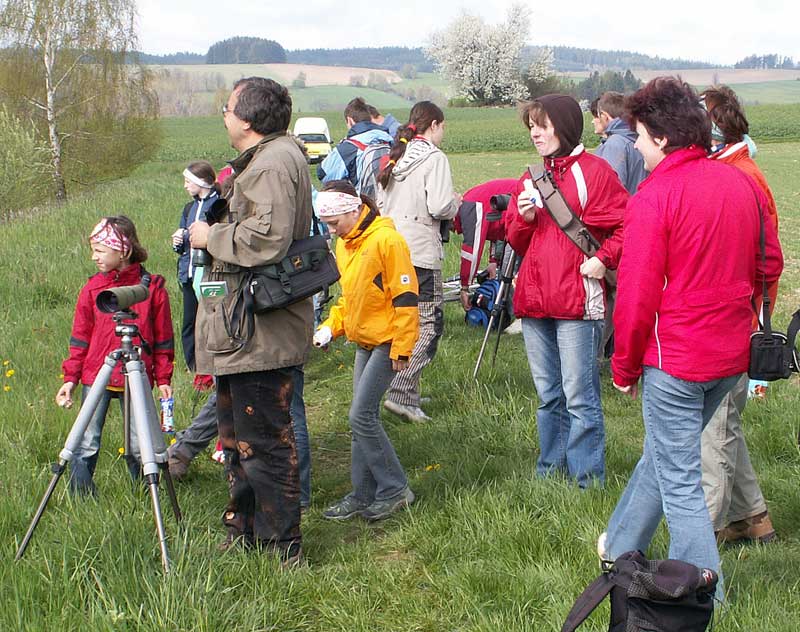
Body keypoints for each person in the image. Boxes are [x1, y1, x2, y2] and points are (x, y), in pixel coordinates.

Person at [600, 78, 782, 596]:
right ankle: (619, 546)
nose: (633, 144)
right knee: (665, 456)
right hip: (730, 358)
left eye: (637, 135)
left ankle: (706, 595)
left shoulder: (654, 196)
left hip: (677, 361)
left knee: (680, 481)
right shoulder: (740, 181)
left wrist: (624, 367)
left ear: (660, 137)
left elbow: (634, 296)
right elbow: (769, 261)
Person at [189, 77, 313, 564]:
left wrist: (209, 236)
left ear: (247, 118)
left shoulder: (273, 162)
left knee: (264, 442)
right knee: (239, 441)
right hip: (248, 331)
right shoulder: (271, 159)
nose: (223, 115)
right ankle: (247, 530)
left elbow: (268, 238)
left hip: (260, 331)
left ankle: (283, 546)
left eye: (227, 107)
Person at [505, 94, 627, 488]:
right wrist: (523, 219)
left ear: (564, 125)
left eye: (542, 125)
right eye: (531, 127)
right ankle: (550, 472)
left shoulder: (596, 173)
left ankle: (587, 480)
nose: (535, 133)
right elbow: (517, 240)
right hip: (535, 300)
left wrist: (604, 258)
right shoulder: (529, 177)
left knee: (579, 396)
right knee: (548, 396)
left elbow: (628, 225)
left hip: (578, 299)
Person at [699, 85, 781, 545]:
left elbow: (769, 259)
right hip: (731, 316)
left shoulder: (741, 175)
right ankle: (753, 518)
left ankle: (703, 533)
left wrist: (751, 311)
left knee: (715, 427)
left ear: (717, 128)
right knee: (723, 421)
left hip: (733, 320)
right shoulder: (730, 169)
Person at [312, 181, 419, 521]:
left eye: (333, 222)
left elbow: (406, 298)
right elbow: (349, 299)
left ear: (353, 209)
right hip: (363, 341)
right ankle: (362, 494)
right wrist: (332, 326)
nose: (331, 231)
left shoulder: (387, 241)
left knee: (360, 416)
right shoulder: (345, 246)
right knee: (361, 419)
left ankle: (395, 488)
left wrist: (402, 348)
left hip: (388, 341)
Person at [56, 216, 174, 496]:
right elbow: (80, 338)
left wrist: (165, 377)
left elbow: (163, 340)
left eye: (100, 250)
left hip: (136, 373)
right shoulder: (92, 289)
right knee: (86, 440)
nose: (93, 256)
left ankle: (146, 493)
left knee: (139, 442)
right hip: (96, 374)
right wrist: (70, 378)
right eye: (93, 249)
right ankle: (80, 497)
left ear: (123, 251)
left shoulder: (152, 289)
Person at [377, 101, 460, 423]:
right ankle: (400, 391)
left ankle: (405, 391)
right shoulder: (434, 158)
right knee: (429, 324)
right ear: (435, 125)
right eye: (443, 127)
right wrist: (455, 203)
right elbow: (439, 206)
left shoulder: (395, 156)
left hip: (392, 249)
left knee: (402, 322)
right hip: (421, 252)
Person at [171, 161, 220, 372]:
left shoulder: (219, 204)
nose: (185, 186)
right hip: (188, 273)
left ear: (201, 182)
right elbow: (183, 239)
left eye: (188, 181)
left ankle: (214, 365)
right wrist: (178, 241)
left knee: (212, 320)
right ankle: (194, 368)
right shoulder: (189, 208)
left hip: (211, 273)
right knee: (189, 323)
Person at [317, 97, 393, 186]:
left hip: (365, 199)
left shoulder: (347, 148)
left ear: (350, 120)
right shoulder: (389, 140)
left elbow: (323, 173)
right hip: (390, 197)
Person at [593, 92, 648, 194]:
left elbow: (610, 191)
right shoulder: (639, 138)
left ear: (605, 116)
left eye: (598, 115)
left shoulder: (615, 145)